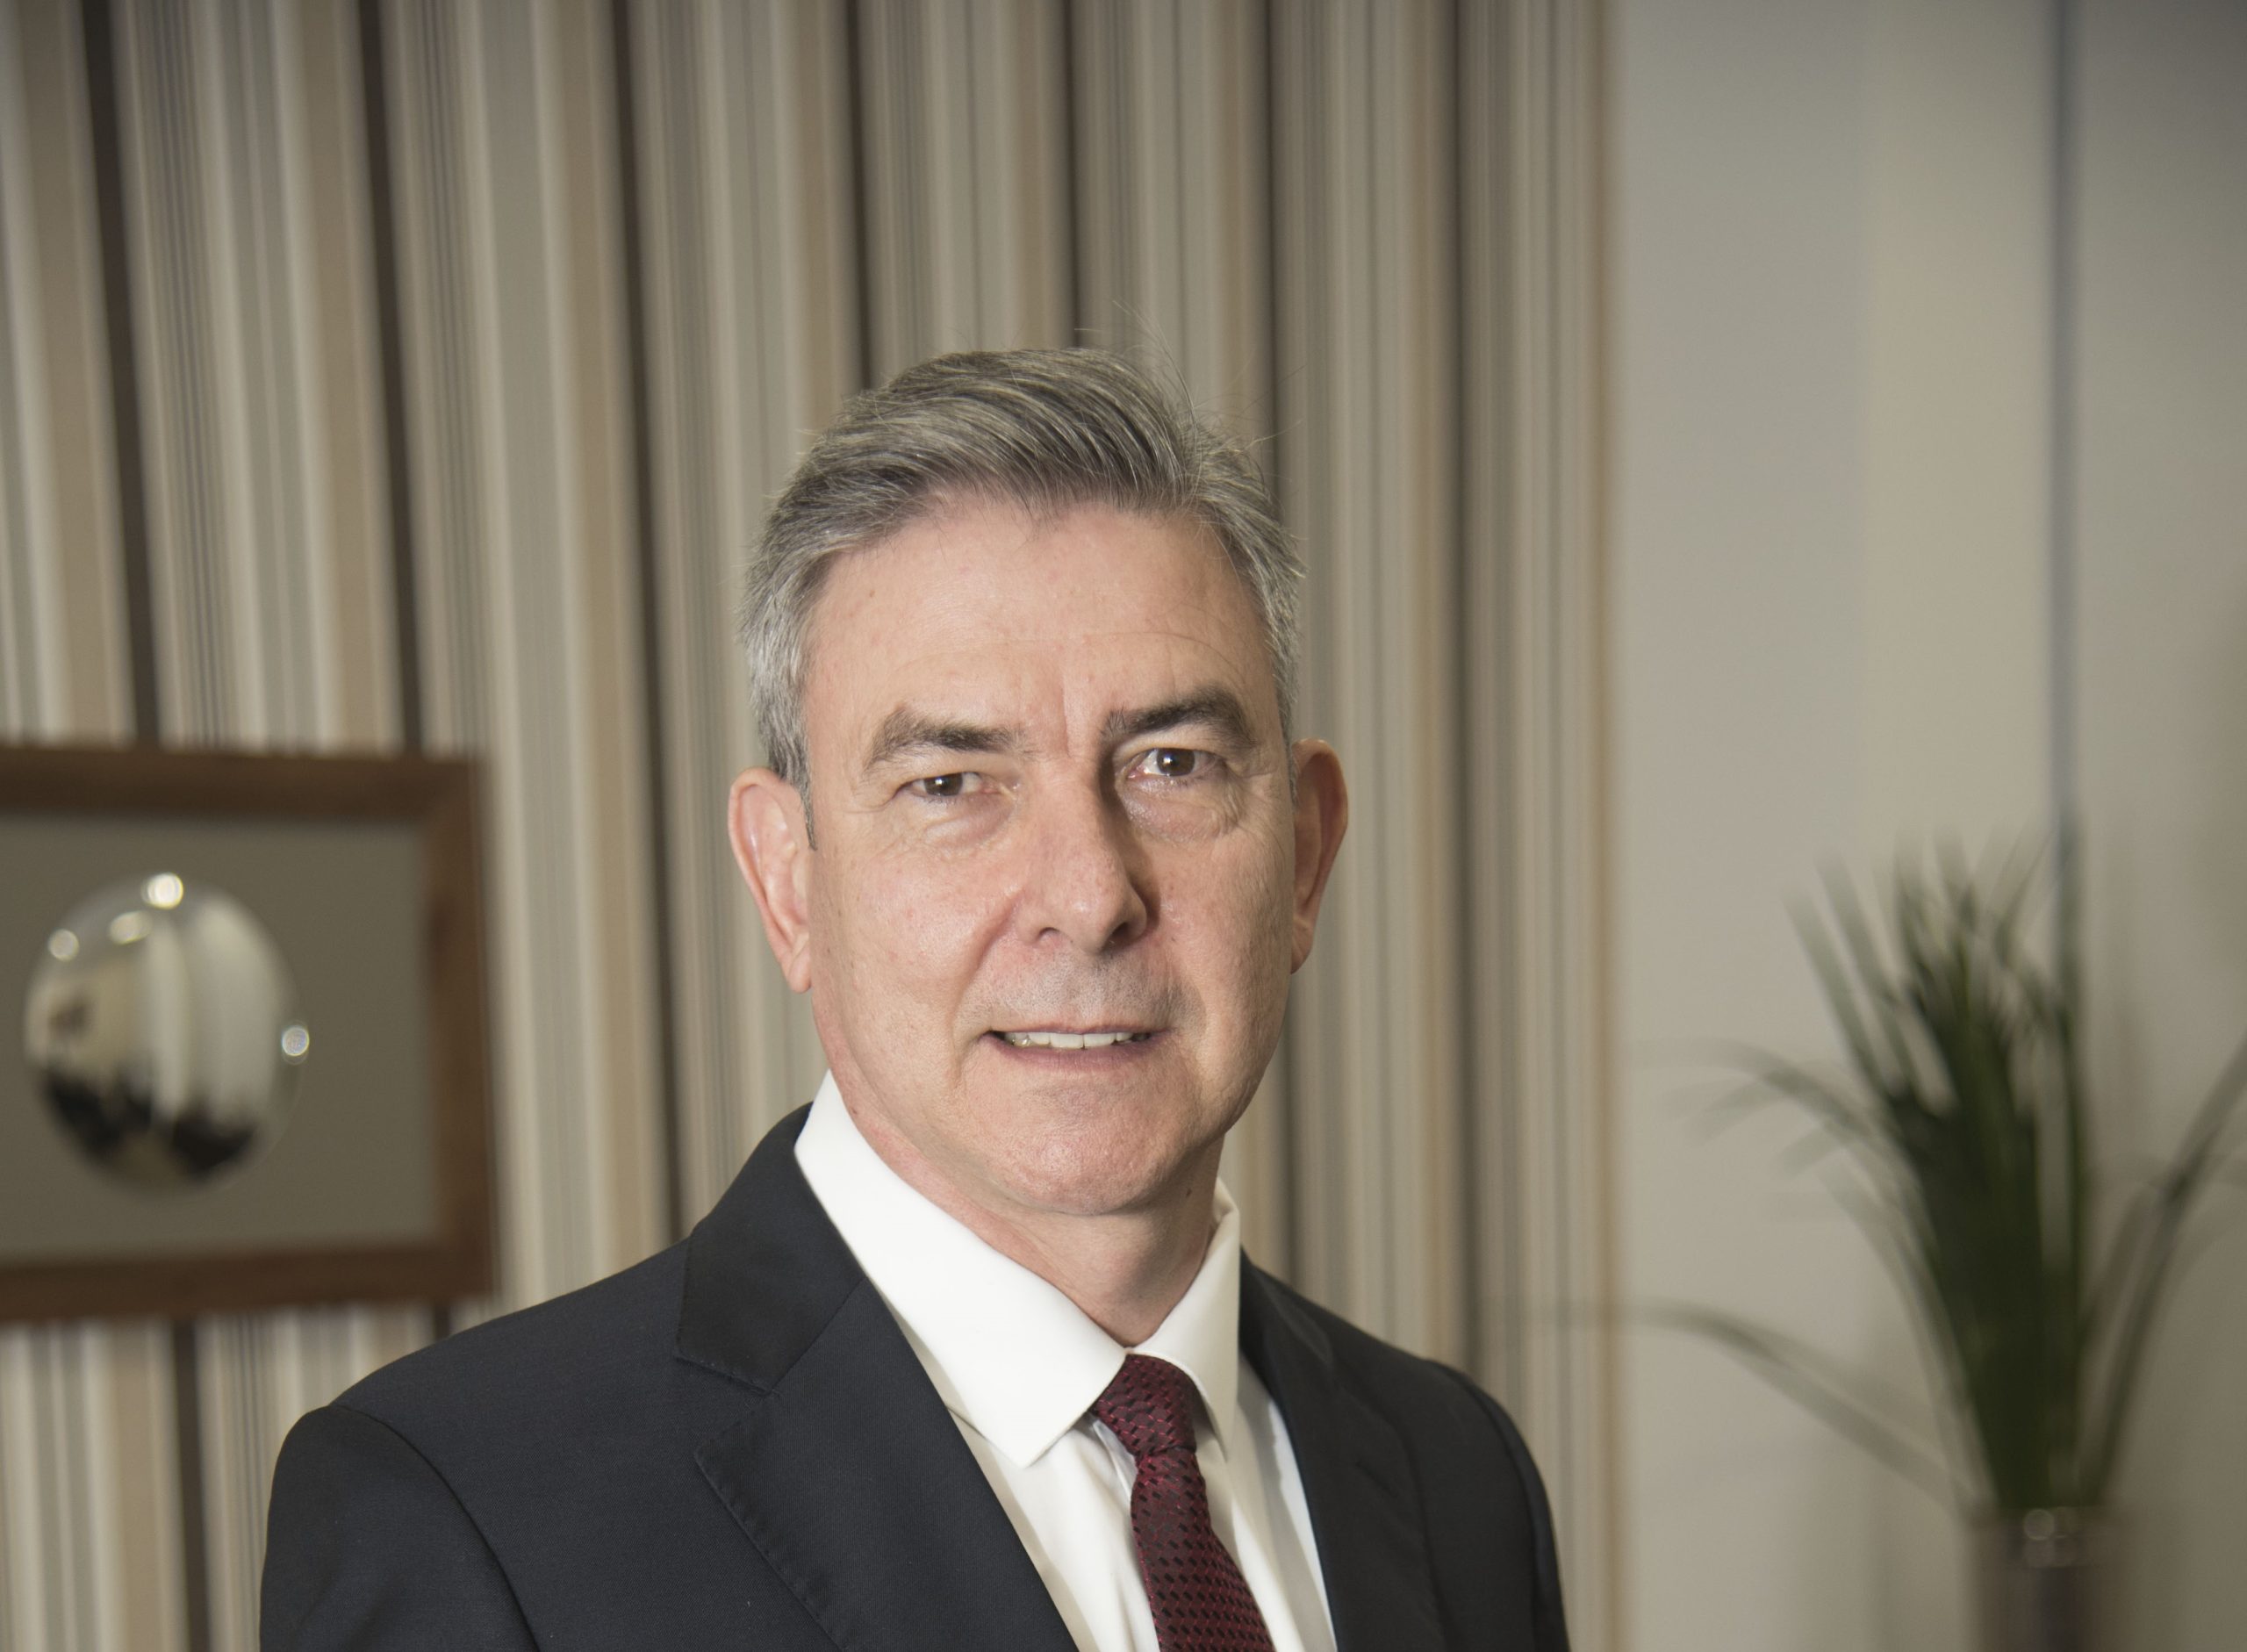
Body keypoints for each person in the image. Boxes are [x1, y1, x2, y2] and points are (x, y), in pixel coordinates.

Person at [261, 348, 1570, 1651]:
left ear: (1306, 855)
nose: (1088, 896)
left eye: (1172, 763)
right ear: (788, 882)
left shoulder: (1458, 1472)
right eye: (950, 784)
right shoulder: (467, 1516)